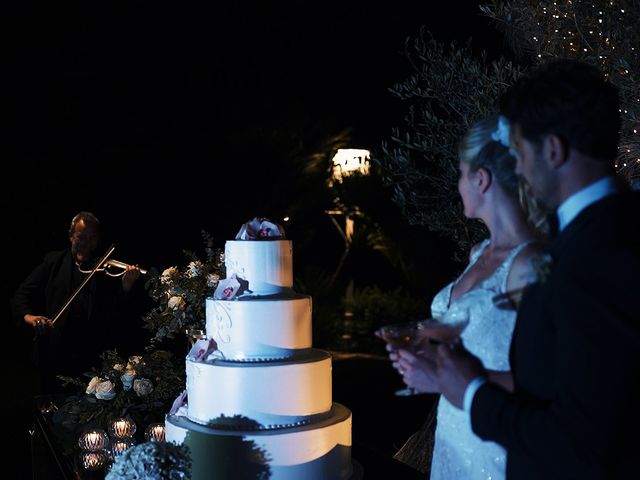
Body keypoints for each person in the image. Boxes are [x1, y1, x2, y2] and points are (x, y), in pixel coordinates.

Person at [411, 59, 640, 479]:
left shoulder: (597, 257)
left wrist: (474, 391)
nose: (516, 169)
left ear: (553, 150)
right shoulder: (595, 235)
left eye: (520, 152)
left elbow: (582, 442)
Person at [389, 114, 544, 479]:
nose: (458, 186)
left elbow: (547, 380)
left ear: (481, 179)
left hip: (496, 448)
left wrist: (442, 378)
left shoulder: (531, 264)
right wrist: (426, 354)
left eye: (460, 174)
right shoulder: (478, 253)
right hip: (453, 442)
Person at [11, 211, 143, 394]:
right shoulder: (53, 262)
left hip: (90, 357)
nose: (87, 244)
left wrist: (126, 286)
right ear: (71, 236)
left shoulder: (104, 269)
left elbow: (116, 313)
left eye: (93, 238)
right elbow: (21, 295)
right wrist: (31, 318)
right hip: (53, 353)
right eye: (81, 237)